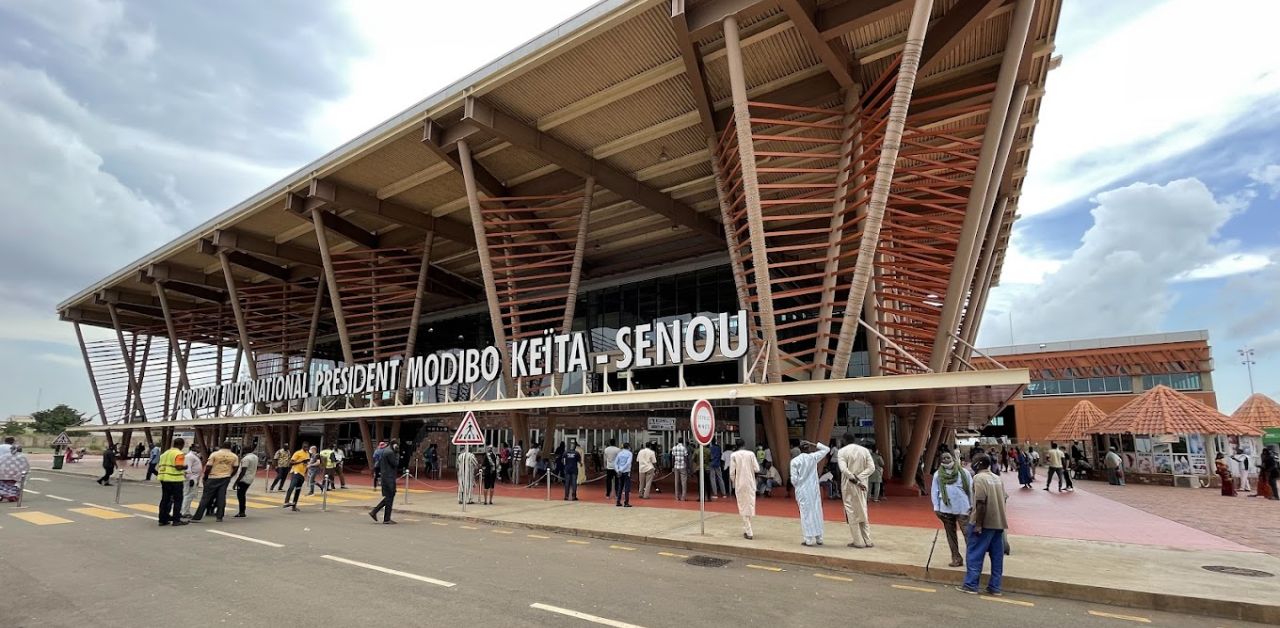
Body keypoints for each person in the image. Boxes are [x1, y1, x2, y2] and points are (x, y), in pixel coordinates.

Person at [957, 455, 1008, 596]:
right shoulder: (997, 478)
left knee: (974, 554)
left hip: (984, 523)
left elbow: (981, 502)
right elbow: (1004, 499)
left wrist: (978, 524)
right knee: (997, 557)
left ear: (978, 464)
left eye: (973, 462)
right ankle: (995, 587)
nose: (971, 464)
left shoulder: (979, 478)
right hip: (998, 524)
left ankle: (971, 585)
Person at [931, 451, 972, 567]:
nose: (945, 459)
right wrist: (936, 507)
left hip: (963, 508)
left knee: (968, 535)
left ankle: (972, 560)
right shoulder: (938, 475)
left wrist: (971, 505)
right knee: (951, 536)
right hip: (946, 509)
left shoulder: (964, 473)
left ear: (953, 458)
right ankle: (956, 558)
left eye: (948, 457)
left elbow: (970, 489)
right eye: (943, 458)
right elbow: (934, 492)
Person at [837, 433, 875, 548]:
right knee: (863, 509)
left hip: (849, 485)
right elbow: (871, 468)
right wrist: (860, 478)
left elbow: (843, 469)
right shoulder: (864, 450)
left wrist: (854, 478)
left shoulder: (842, 452)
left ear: (844, 440)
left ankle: (858, 541)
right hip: (863, 485)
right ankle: (868, 540)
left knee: (851, 512)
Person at [790, 440, 830, 547]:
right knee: (817, 512)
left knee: (805, 514)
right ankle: (819, 538)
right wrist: (814, 444)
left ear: (799, 449)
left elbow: (794, 480)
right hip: (813, 490)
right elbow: (827, 449)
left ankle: (808, 539)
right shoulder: (813, 457)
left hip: (802, 490)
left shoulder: (794, 461)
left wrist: (799, 484)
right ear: (808, 449)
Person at [192, 442, 238, 523]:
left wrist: (205, 476)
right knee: (221, 497)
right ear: (230, 447)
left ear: (221, 446)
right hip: (225, 477)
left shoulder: (215, 454)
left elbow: (209, 466)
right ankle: (219, 516)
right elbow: (235, 467)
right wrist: (230, 475)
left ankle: (197, 517)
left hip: (213, 477)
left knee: (205, 497)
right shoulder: (234, 456)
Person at [728, 441, 760, 539]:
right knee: (749, 505)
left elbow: (732, 472)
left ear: (736, 446)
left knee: (742, 506)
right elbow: (757, 469)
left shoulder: (734, 455)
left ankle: (749, 531)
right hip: (750, 483)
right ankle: (748, 529)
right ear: (744, 445)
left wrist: (734, 482)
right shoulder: (751, 454)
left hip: (740, 483)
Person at [155, 438, 188, 526]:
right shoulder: (179, 454)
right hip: (175, 479)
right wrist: (185, 467)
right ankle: (176, 520)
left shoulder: (165, 453)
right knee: (178, 500)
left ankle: (162, 519)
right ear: (181, 445)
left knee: (165, 499)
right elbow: (178, 467)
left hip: (164, 479)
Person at [369, 441, 400, 524]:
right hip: (388, 478)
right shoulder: (390, 453)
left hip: (386, 476)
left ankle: (378, 513)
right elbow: (395, 463)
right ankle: (383, 516)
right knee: (390, 497)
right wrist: (397, 454)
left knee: (389, 497)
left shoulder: (386, 451)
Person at [233, 445, 259, 517]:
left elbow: (243, 471)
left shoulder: (246, 459)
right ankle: (242, 511)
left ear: (244, 451)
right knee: (242, 494)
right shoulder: (255, 457)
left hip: (244, 479)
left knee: (240, 495)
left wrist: (236, 482)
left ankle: (242, 512)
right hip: (251, 477)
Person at [283, 442, 310, 511]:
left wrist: (305, 473)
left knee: (298, 490)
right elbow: (291, 463)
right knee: (292, 486)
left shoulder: (307, 454)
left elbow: (306, 464)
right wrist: (301, 461)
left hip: (302, 474)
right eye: (305, 447)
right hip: (296, 472)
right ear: (302, 447)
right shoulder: (298, 453)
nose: (306, 448)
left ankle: (294, 506)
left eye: (307, 447)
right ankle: (286, 501)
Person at [180, 444, 203, 520]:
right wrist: (190, 479)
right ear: (192, 448)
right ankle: (185, 512)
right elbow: (187, 468)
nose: (199, 448)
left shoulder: (195, 456)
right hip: (191, 479)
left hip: (195, 478)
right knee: (188, 495)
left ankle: (184, 511)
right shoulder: (189, 456)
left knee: (189, 495)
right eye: (197, 447)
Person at [614, 442, 634, 507]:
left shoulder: (619, 453)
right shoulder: (629, 453)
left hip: (620, 472)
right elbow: (628, 463)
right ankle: (626, 502)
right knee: (627, 487)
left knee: (620, 487)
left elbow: (615, 463)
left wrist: (618, 470)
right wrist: (622, 470)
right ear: (628, 447)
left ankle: (618, 501)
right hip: (626, 471)